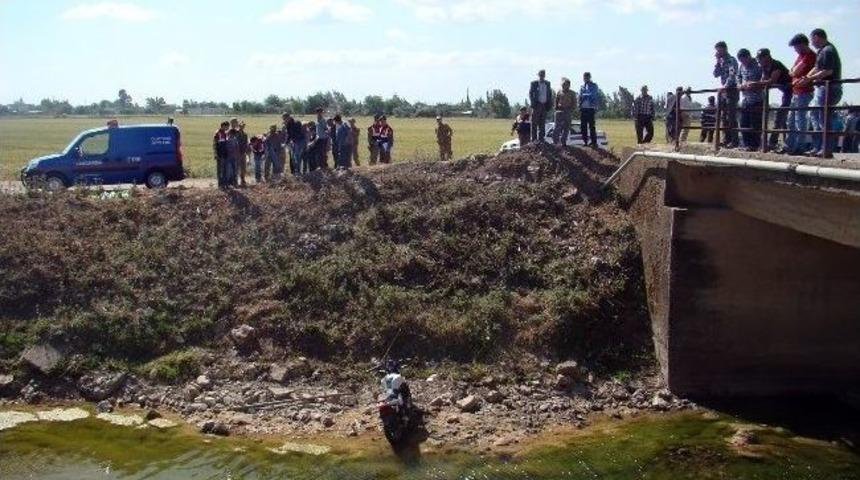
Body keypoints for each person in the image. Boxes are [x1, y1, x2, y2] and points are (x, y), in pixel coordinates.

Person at [800, 28, 842, 156]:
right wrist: (806, 77)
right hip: (822, 88)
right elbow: (817, 67)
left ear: (817, 37)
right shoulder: (823, 51)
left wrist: (809, 79)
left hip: (828, 87)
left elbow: (828, 71)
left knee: (823, 118)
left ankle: (826, 149)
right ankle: (818, 146)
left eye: (812, 39)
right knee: (815, 115)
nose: (811, 43)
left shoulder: (828, 50)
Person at [785, 33, 818, 155]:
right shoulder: (801, 56)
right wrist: (794, 72)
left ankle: (800, 146)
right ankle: (790, 146)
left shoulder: (810, 56)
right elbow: (790, 72)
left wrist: (794, 72)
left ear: (802, 44)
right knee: (791, 120)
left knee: (800, 120)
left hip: (804, 92)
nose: (795, 50)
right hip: (796, 91)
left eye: (796, 47)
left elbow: (795, 71)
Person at [753, 49, 791, 150]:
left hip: (792, 90)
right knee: (782, 117)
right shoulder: (764, 67)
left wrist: (756, 84)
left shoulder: (776, 65)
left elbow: (771, 81)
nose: (759, 61)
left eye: (760, 58)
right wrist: (758, 83)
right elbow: (763, 80)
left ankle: (774, 143)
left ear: (766, 57)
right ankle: (774, 143)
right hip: (785, 91)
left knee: (782, 116)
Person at [713, 41, 740, 148]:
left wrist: (725, 86)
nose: (717, 52)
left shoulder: (731, 60)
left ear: (724, 49)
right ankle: (726, 139)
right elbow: (715, 74)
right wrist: (717, 62)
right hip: (724, 91)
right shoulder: (721, 61)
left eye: (719, 50)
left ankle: (734, 140)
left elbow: (732, 75)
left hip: (731, 90)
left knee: (731, 116)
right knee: (724, 117)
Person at [737, 49, 763, 151]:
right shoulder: (741, 66)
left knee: (755, 123)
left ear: (748, 56)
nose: (742, 62)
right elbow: (738, 77)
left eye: (743, 60)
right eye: (741, 61)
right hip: (745, 99)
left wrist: (754, 84)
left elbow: (763, 78)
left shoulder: (758, 65)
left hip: (757, 98)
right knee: (743, 122)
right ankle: (746, 144)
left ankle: (755, 145)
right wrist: (739, 84)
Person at [528, 70, 553, 142]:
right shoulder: (534, 83)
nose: (542, 76)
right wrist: (533, 103)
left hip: (544, 105)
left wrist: (549, 104)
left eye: (543, 75)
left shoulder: (548, 83)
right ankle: (534, 139)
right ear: (538, 75)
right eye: (541, 75)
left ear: (545, 75)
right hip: (537, 104)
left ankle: (541, 139)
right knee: (534, 122)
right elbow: (530, 93)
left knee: (542, 123)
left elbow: (549, 94)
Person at [579, 72, 599, 147]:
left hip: (591, 108)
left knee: (591, 126)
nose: (585, 79)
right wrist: (584, 96)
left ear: (590, 77)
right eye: (584, 77)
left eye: (587, 77)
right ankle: (585, 141)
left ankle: (594, 142)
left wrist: (585, 95)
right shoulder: (582, 86)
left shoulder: (594, 85)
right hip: (583, 108)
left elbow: (593, 95)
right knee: (583, 126)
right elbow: (580, 96)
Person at [554, 78, 576, 145]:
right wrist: (556, 108)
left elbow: (574, 102)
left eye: (565, 84)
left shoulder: (572, 93)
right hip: (560, 110)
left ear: (569, 85)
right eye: (563, 84)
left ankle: (563, 141)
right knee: (557, 127)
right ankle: (555, 141)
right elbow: (556, 101)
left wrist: (571, 110)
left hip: (568, 110)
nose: (563, 86)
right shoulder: (559, 92)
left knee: (566, 127)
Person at [226, 118, 244, 186]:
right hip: (229, 153)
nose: (237, 124)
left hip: (236, 153)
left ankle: (234, 182)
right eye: (236, 122)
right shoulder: (229, 132)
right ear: (232, 123)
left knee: (236, 169)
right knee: (230, 169)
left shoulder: (237, 132)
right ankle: (229, 183)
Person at [213, 121, 230, 188]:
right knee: (220, 170)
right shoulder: (218, 133)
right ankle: (220, 184)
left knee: (225, 170)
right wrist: (215, 154)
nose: (228, 128)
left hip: (225, 154)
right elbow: (214, 144)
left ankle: (225, 184)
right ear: (223, 126)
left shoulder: (225, 133)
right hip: (220, 155)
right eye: (227, 126)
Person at [235, 121, 250, 186]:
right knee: (236, 167)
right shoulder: (235, 133)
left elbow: (246, 143)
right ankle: (235, 180)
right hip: (236, 153)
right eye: (241, 125)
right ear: (239, 126)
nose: (242, 126)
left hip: (243, 152)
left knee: (243, 167)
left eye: (243, 125)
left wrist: (247, 152)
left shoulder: (245, 134)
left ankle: (242, 179)